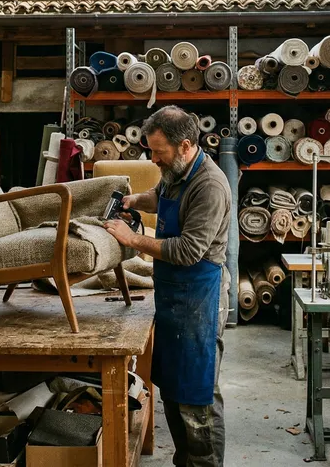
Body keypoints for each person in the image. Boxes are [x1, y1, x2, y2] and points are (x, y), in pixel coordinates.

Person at [103, 105, 231, 467]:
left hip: (200, 294)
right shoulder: (177, 170)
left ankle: (205, 464)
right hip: (175, 292)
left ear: (186, 145)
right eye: (151, 150)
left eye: (159, 152)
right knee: (174, 388)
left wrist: (133, 240)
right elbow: (161, 197)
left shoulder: (210, 185)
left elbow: (189, 250)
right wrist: (133, 201)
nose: (153, 158)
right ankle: (185, 462)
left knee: (197, 393)